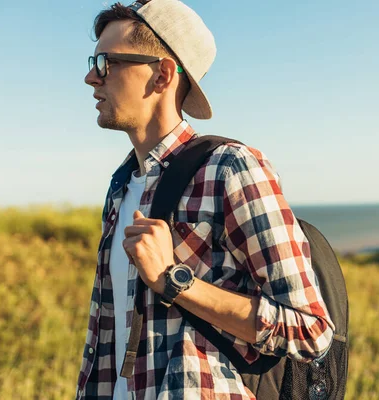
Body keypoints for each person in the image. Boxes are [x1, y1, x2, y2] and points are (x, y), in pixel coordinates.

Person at [75, 1, 335, 398]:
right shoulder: (121, 185)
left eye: (106, 62)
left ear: (161, 74)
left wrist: (175, 281)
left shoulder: (229, 168)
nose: (91, 77)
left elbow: (310, 330)